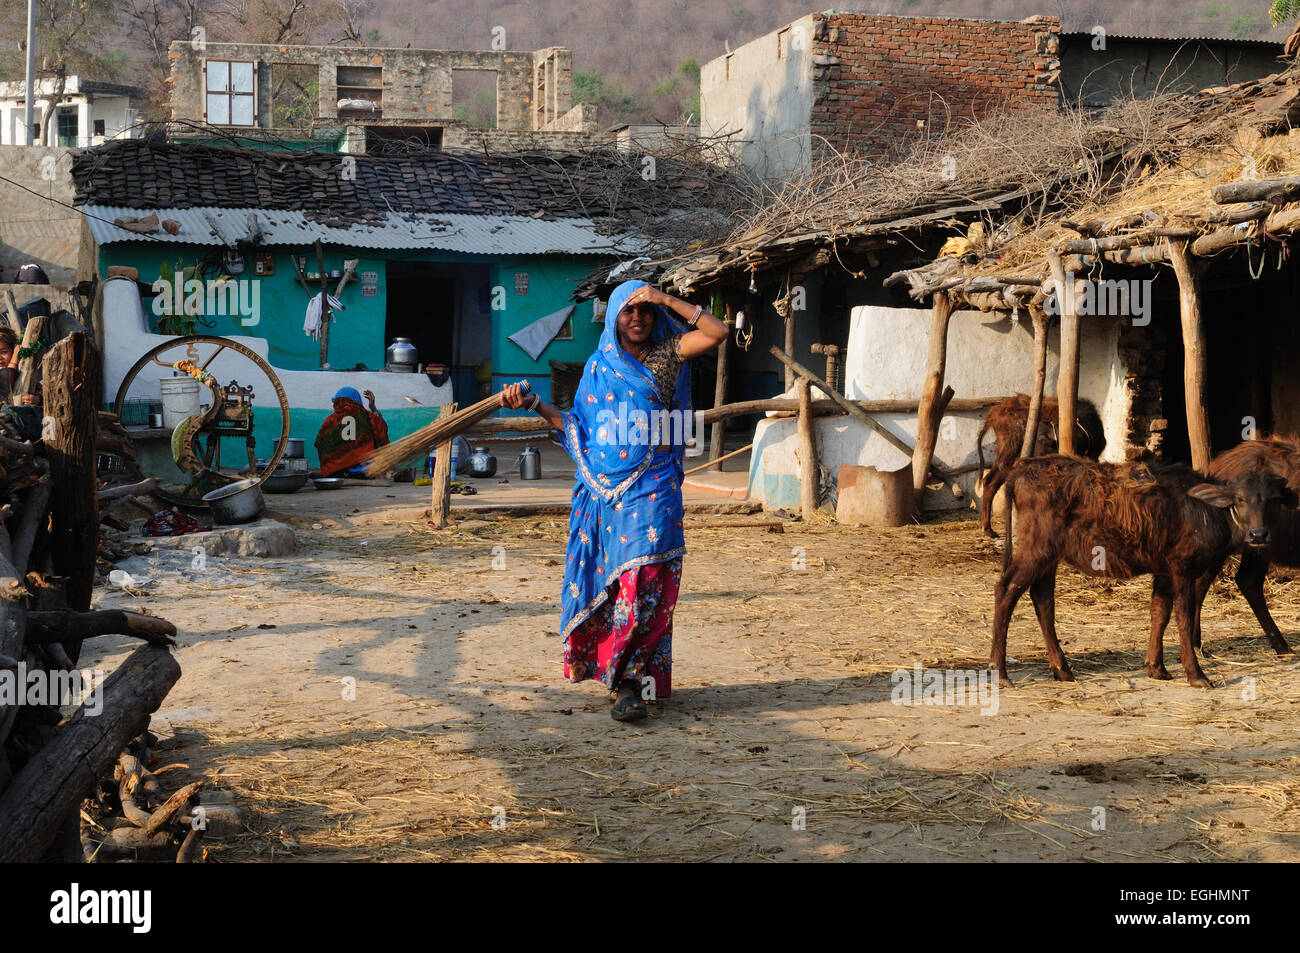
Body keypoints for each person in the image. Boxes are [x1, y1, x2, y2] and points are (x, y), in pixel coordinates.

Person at [502, 279, 728, 722]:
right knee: (619, 585)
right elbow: (580, 425)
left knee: (649, 580)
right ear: (613, 319)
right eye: (628, 311)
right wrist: (533, 404)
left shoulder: (667, 356)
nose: (638, 318)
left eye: (645, 311)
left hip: (655, 484)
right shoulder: (597, 366)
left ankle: (631, 679)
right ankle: (622, 680)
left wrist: (663, 298)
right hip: (606, 491)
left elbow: (717, 333)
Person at [314, 387, 389, 477]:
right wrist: (373, 407)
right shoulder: (366, 416)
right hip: (366, 471)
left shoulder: (330, 421)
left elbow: (320, 443)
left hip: (339, 472)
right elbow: (382, 429)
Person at [0, 327, 38, 406]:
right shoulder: (8, 371)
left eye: (4, 352)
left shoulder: (23, 373)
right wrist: (13, 362)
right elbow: (5, 382)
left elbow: (42, 390)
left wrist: (38, 399)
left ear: (13, 352)